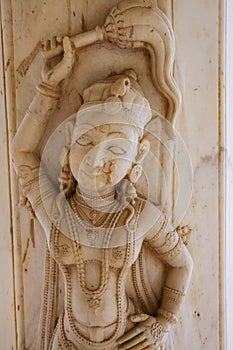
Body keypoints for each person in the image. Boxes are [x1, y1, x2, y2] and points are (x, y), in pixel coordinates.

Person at [11, 36, 193, 350]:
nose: (96, 160)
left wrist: (165, 321)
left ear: (137, 157)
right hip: (69, 342)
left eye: (116, 149)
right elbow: (22, 154)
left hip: (128, 341)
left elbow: (182, 263)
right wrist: (49, 87)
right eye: (85, 143)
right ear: (68, 147)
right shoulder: (56, 212)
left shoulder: (141, 217)